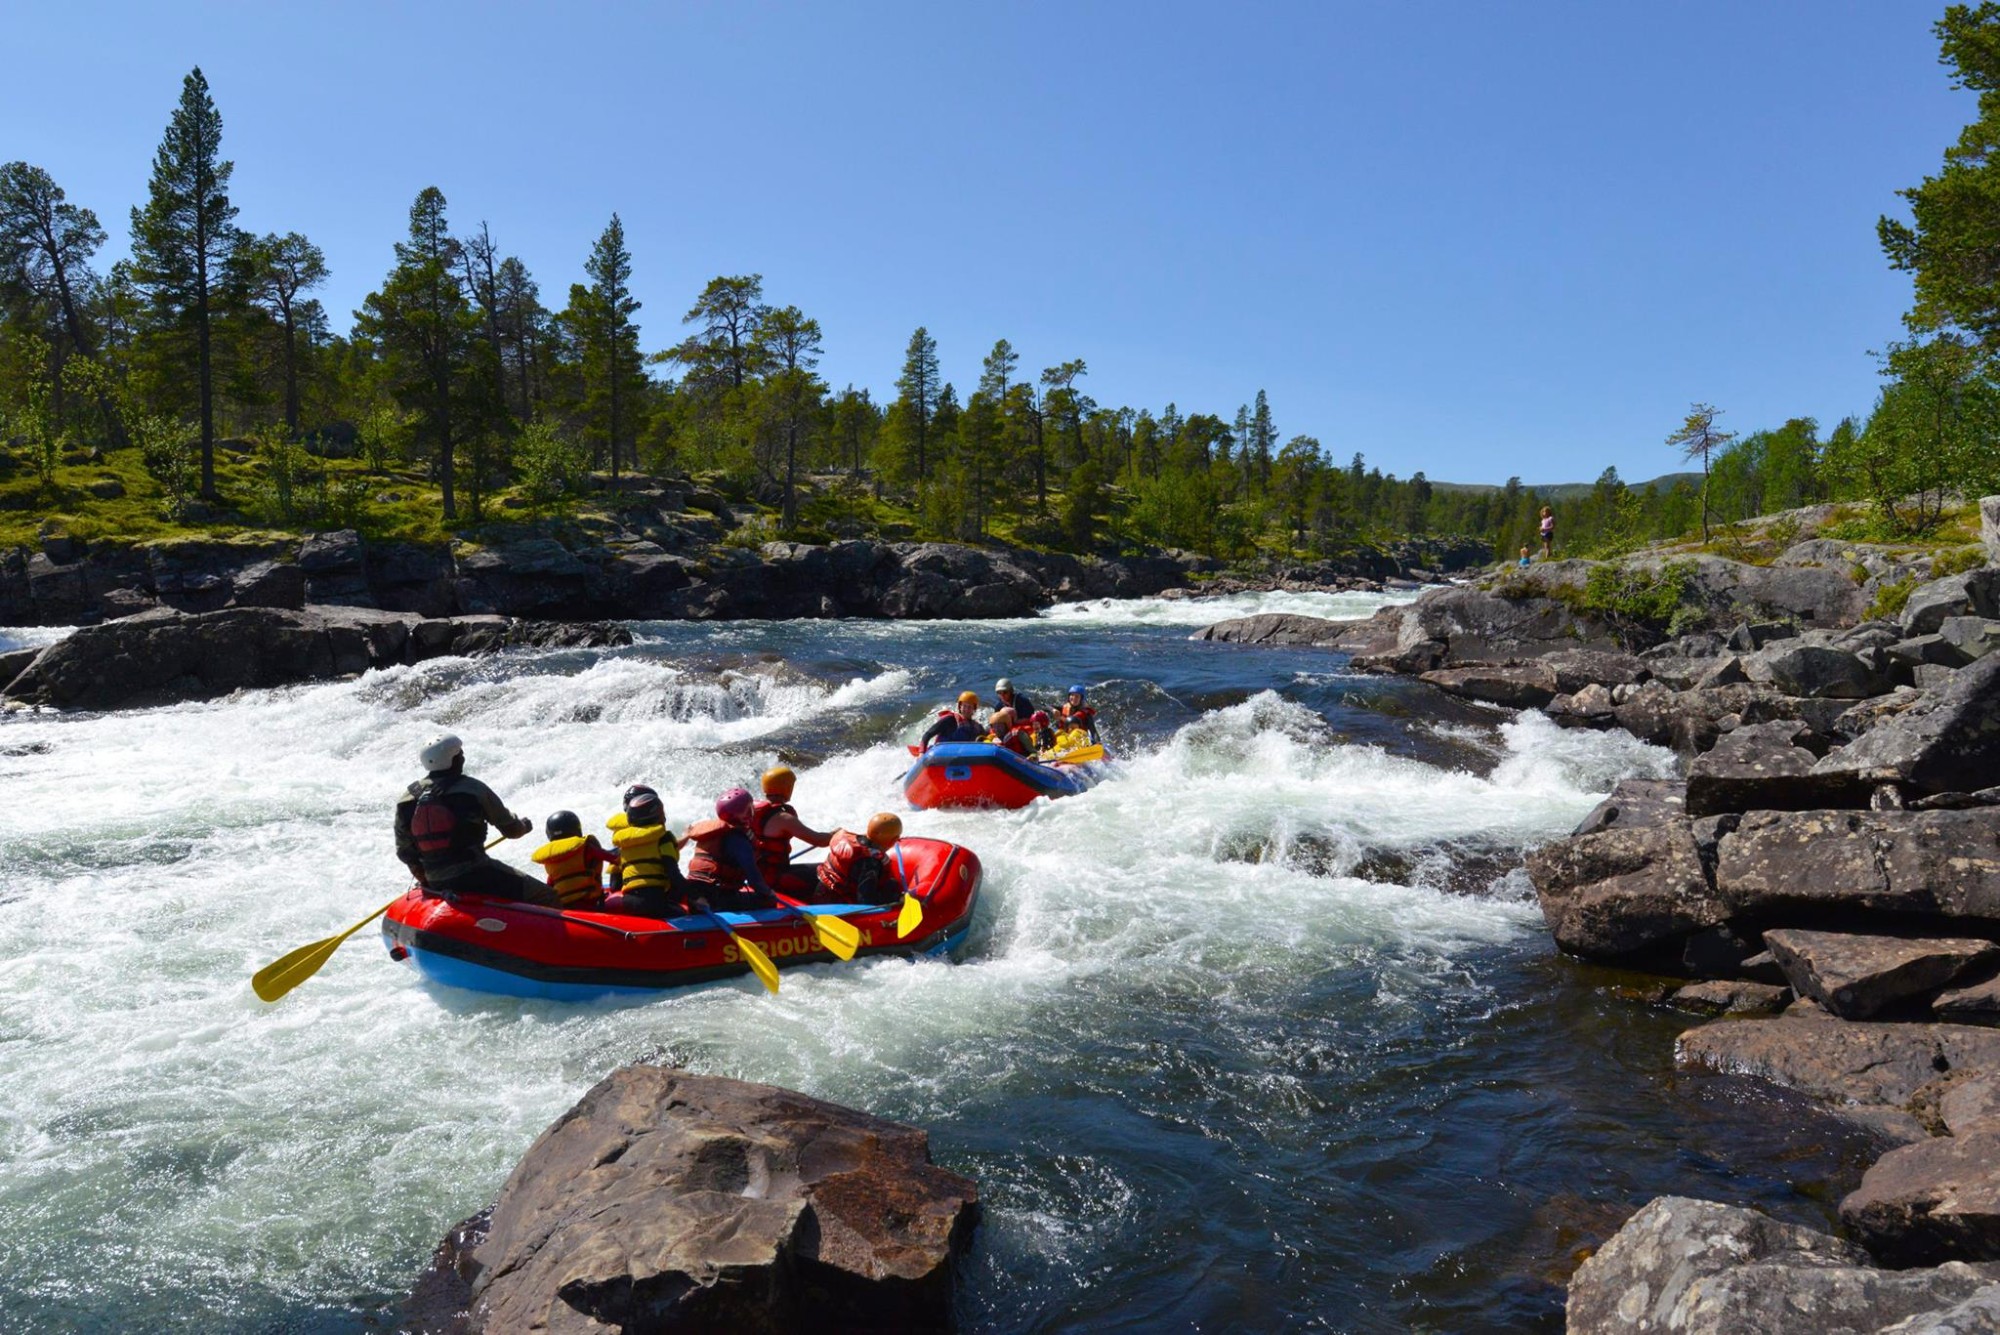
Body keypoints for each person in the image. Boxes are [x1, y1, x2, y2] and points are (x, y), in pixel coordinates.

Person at [393, 734, 550, 904]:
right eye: (460, 754)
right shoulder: (473, 789)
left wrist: (428, 881)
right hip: (477, 873)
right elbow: (511, 830)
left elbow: (405, 852)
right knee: (547, 896)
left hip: (436, 881)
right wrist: (524, 826)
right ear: (453, 760)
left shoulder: (407, 798)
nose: (463, 757)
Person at [682, 788, 780, 911]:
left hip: (694, 893)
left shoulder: (712, 832)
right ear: (746, 813)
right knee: (768, 902)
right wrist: (769, 893)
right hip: (716, 898)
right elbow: (754, 879)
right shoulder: (738, 839)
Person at [601, 784, 691, 917]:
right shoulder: (660, 836)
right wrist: (695, 895)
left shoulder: (625, 837)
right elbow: (671, 870)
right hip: (651, 899)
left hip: (626, 896)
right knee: (687, 910)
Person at [752, 765, 831, 896]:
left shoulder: (751, 811)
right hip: (775, 879)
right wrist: (837, 834)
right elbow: (820, 841)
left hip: (757, 876)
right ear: (787, 788)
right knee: (827, 872)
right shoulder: (784, 818)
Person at [530, 810, 618, 908]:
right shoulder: (586, 846)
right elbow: (614, 858)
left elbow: (551, 884)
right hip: (591, 904)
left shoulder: (550, 858)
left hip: (565, 908)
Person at [814, 813, 906, 906]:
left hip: (821, 890)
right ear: (894, 840)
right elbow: (866, 901)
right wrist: (899, 900)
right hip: (835, 904)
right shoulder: (870, 863)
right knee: (892, 887)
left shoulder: (849, 839)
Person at [919, 691, 986, 750]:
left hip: (965, 757)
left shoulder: (977, 727)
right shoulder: (950, 720)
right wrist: (921, 752)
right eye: (964, 706)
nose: (967, 709)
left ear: (974, 709)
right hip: (943, 754)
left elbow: (986, 739)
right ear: (960, 707)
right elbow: (928, 734)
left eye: (970, 707)